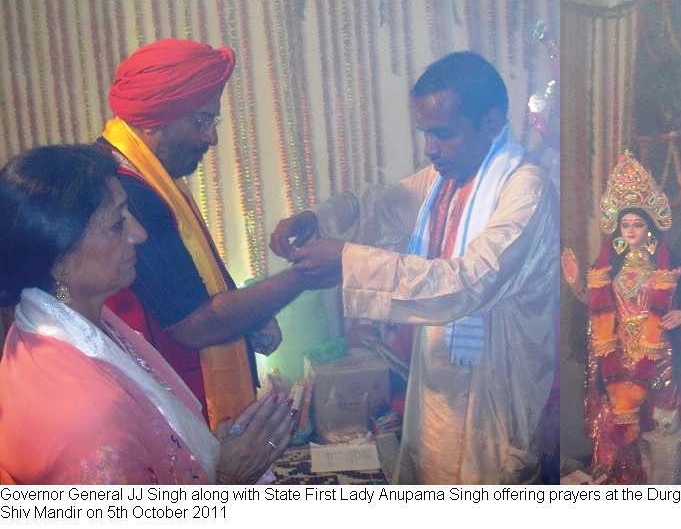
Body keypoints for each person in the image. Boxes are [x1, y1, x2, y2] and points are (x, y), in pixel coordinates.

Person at [270, 51, 558, 484]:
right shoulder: (443, 179)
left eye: (443, 134)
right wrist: (319, 220)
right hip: (437, 390)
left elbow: (466, 283)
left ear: (492, 123)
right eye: (426, 134)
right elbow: (380, 208)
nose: (430, 149)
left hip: (492, 400)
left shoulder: (524, 190)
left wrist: (349, 262)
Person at [0, 145, 294, 484]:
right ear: (60, 257)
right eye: (116, 223)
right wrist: (228, 477)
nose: (138, 233)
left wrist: (204, 450)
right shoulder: (88, 415)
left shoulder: (74, 317)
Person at [97, 39, 320, 428]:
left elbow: (186, 278)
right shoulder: (126, 191)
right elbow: (197, 323)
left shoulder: (138, 168)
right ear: (154, 120)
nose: (211, 138)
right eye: (202, 121)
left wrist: (248, 318)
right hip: (154, 413)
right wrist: (304, 275)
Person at [560, 151, 681, 484]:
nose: (631, 230)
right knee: (613, 418)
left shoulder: (667, 269)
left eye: (638, 224)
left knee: (658, 423)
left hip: (658, 358)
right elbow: (596, 309)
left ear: (650, 228)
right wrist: (575, 284)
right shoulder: (608, 269)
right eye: (626, 224)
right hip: (617, 353)